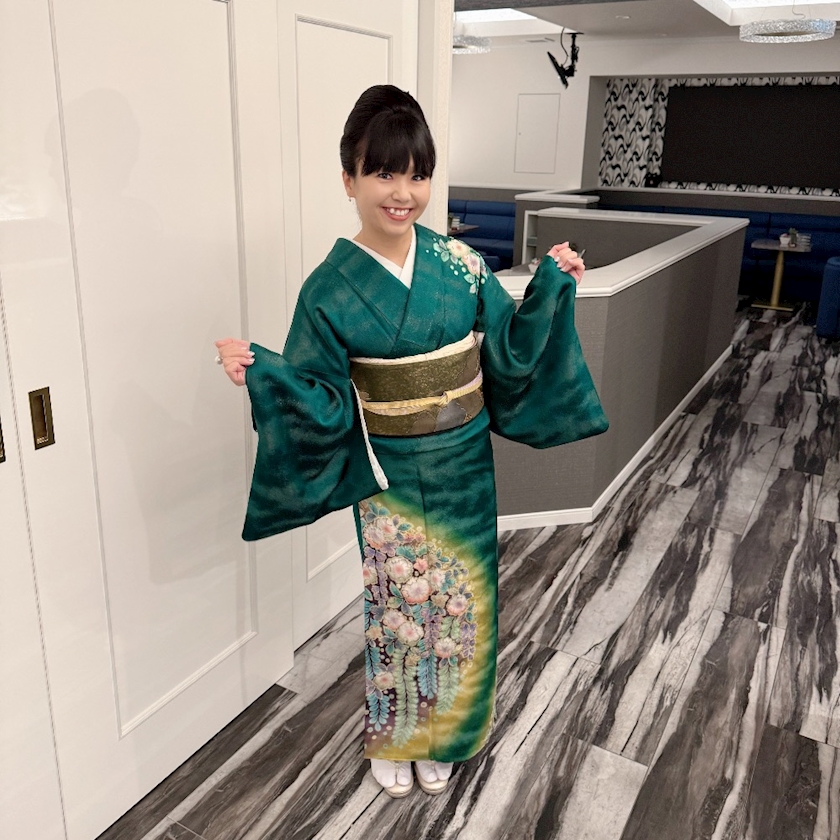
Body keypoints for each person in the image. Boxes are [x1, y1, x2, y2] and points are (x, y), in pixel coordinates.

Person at [215, 85, 607, 798]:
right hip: (390, 471)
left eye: (418, 174)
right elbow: (321, 395)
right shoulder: (328, 289)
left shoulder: (459, 262)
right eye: (384, 173)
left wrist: (551, 284)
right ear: (349, 179)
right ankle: (397, 736)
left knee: (464, 599)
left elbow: (510, 346)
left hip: (466, 462)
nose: (403, 193)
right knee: (398, 605)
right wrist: (264, 373)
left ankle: (448, 733)